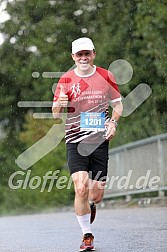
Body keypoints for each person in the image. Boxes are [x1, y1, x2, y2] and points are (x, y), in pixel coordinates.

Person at [52, 37, 123, 251]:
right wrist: (60, 105)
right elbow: (55, 115)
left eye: (87, 54)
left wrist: (113, 123)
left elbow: (118, 105)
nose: (83, 58)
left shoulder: (105, 76)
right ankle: (87, 235)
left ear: (93, 54)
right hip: (75, 140)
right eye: (79, 54)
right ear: (73, 57)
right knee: (80, 188)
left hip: (99, 141)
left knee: (95, 195)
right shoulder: (66, 80)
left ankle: (91, 205)